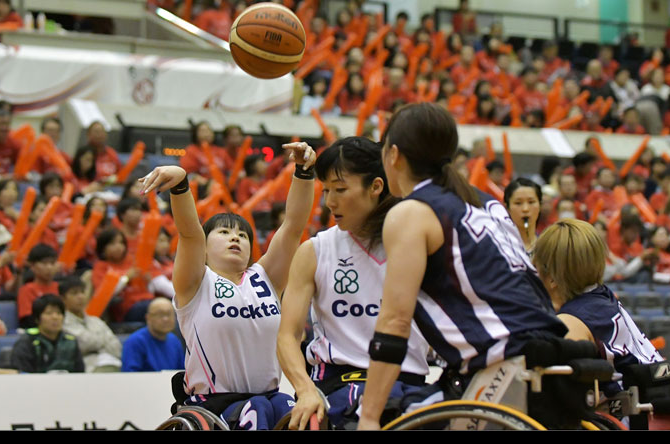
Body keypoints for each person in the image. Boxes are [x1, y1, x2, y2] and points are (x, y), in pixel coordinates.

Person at [356, 103, 567, 429]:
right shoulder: (481, 205)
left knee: (382, 415)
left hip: (505, 367)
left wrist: (368, 416)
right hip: (554, 362)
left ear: (393, 155)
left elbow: (395, 321)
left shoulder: (411, 212)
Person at [137, 141, 316, 430]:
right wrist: (181, 185)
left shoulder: (266, 277)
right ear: (205, 249)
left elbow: (294, 224)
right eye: (223, 232)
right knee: (256, 408)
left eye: (243, 235)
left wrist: (304, 172)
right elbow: (190, 233)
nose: (235, 238)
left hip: (269, 398)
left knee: (297, 409)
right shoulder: (195, 282)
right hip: (213, 404)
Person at [276, 137, 430, 430]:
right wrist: (306, 389)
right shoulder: (315, 251)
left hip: (409, 384)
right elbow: (287, 335)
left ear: (375, 187)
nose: (330, 201)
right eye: (326, 190)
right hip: (342, 383)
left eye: (341, 189)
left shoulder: (417, 243)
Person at [532, 219, 663, 397]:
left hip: (633, 415)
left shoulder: (572, 322)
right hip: (654, 396)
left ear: (553, 277)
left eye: (535, 267)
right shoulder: (602, 295)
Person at [60, 277, 122, 372]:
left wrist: (94, 346)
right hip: (85, 370)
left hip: (111, 363)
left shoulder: (96, 321)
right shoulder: (62, 322)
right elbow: (83, 344)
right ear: (63, 299)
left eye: (82, 292)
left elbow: (116, 346)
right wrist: (103, 341)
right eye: (74, 293)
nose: (80, 297)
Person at [10, 294, 85, 373]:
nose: (55, 317)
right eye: (49, 313)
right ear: (37, 319)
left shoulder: (71, 342)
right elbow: (22, 374)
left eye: (59, 313)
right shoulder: (27, 342)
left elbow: (80, 373)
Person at [121, 297, 184, 372]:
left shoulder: (174, 341)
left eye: (169, 314)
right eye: (160, 314)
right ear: (148, 318)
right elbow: (130, 376)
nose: (166, 319)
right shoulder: (135, 342)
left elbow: (181, 372)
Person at [17, 244, 60, 329]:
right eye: (44, 263)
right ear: (32, 266)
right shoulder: (27, 290)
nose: (49, 267)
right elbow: (27, 320)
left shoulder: (60, 288)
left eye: (52, 263)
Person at [504, 178, 542, 256]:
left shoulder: (548, 246)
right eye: (518, 203)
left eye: (531, 202)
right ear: (507, 207)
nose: (525, 209)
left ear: (540, 205)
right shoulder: (500, 246)